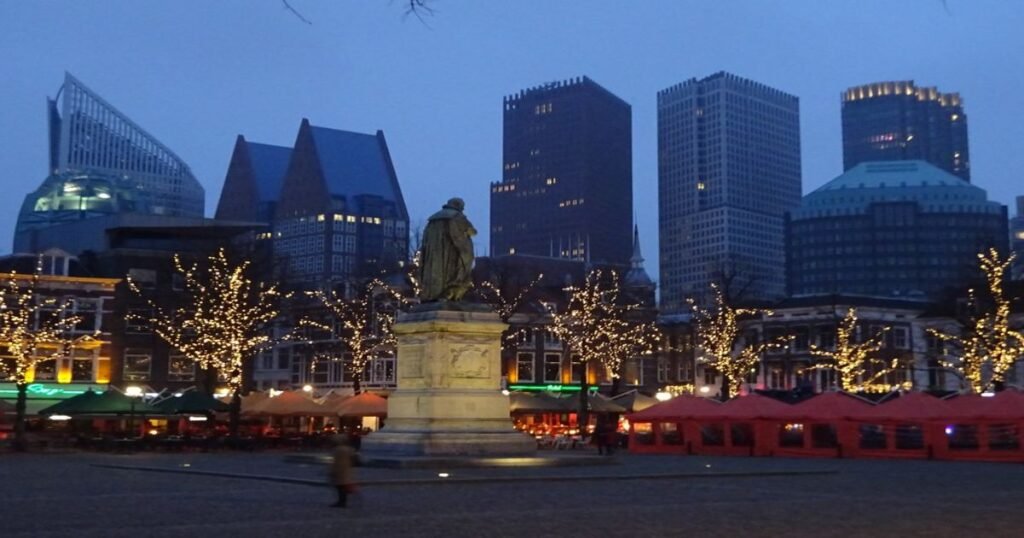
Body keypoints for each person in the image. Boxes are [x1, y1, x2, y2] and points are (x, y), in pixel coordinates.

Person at [419, 197, 477, 302]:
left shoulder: (432, 221)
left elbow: (424, 244)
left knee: (435, 273)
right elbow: (466, 237)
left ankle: (432, 295)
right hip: (450, 255)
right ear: (459, 206)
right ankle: (448, 294)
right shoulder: (457, 217)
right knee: (450, 273)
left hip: (432, 257)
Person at [329, 434, 357, 508]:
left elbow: (335, 461)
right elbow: (353, 458)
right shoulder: (348, 449)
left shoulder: (338, 449)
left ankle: (342, 502)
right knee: (342, 486)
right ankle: (342, 501)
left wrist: (332, 470)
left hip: (340, 470)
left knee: (340, 487)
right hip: (346, 469)